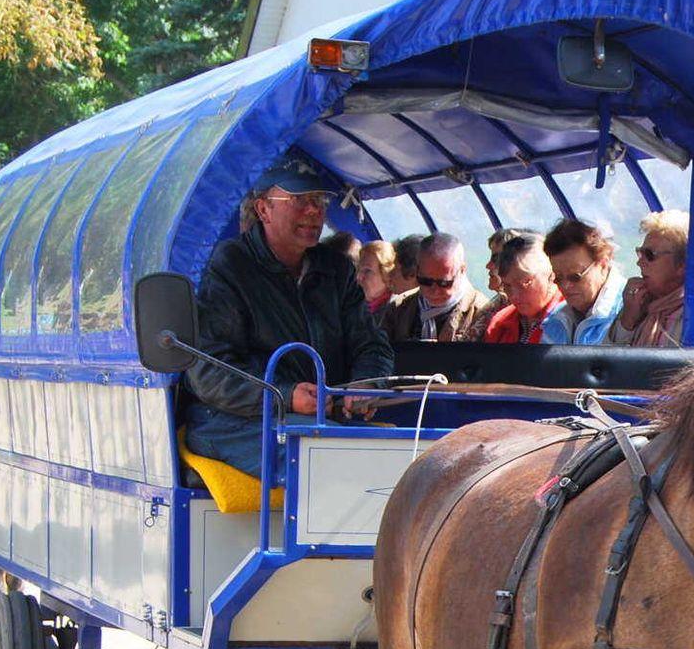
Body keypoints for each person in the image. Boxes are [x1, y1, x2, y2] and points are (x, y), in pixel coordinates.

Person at [183, 156, 394, 477]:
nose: (314, 210)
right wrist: (285, 395)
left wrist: (366, 384)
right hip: (233, 421)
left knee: (397, 457)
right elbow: (209, 371)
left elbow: (372, 345)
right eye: (299, 199)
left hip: (316, 419)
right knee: (331, 459)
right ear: (263, 209)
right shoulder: (231, 265)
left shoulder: (335, 268)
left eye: (319, 200)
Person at [383, 232, 490, 343]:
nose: (434, 291)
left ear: (462, 270)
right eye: (426, 281)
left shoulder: (482, 313)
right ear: (417, 271)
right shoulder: (399, 308)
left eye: (444, 283)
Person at [608, 210, 689, 347]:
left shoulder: (693, 316)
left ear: (682, 264)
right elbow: (604, 358)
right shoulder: (639, 304)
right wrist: (627, 321)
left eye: (649, 255)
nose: (639, 263)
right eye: (640, 253)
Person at [539, 217, 624, 345]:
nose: (565, 286)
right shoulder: (556, 319)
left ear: (603, 265)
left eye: (575, 277)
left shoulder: (629, 311)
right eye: (558, 278)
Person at [483, 233, 563, 344]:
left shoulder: (569, 320)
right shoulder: (500, 325)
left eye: (525, 283)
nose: (514, 295)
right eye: (507, 285)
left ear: (551, 274)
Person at [355, 238, 401, 328]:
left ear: (387, 274)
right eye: (358, 270)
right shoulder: (355, 306)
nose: (358, 277)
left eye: (367, 271)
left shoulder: (396, 312)